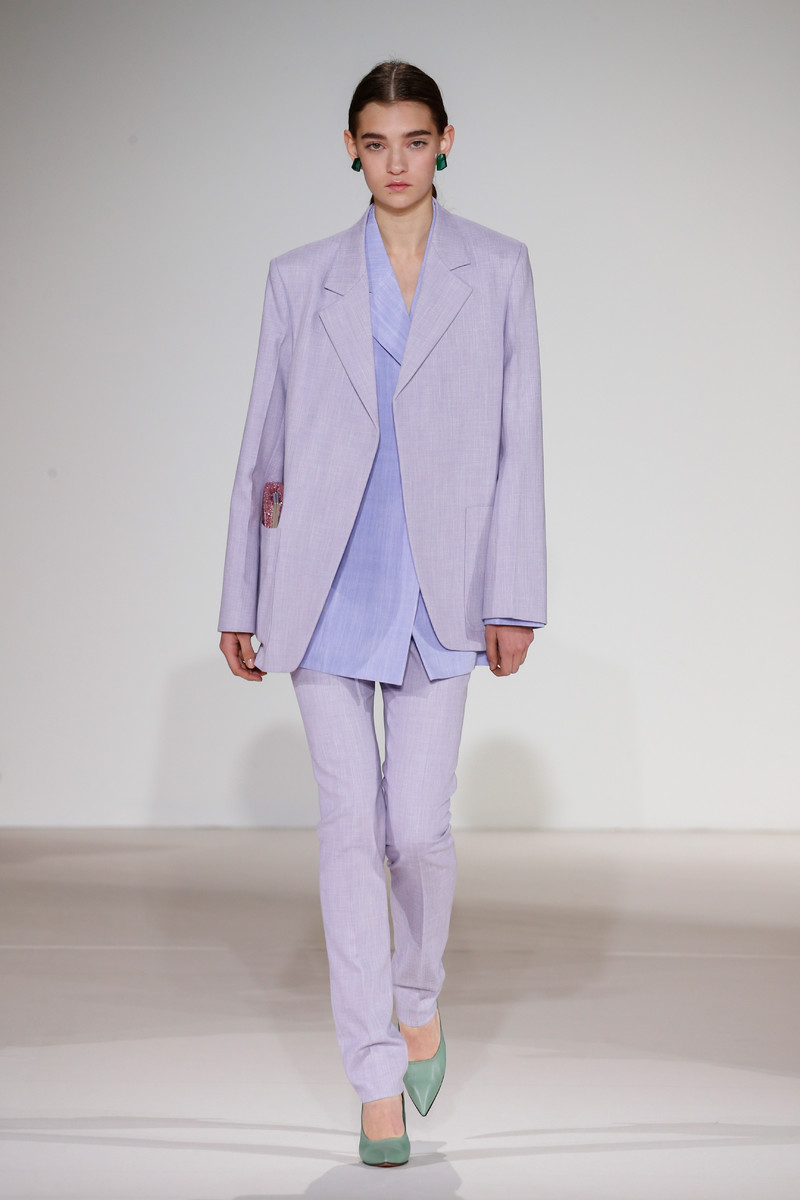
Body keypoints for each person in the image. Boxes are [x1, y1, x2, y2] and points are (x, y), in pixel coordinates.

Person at [217, 59, 546, 1167]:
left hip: (441, 589)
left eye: (413, 140)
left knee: (418, 830)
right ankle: (371, 1079)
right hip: (319, 587)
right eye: (375, 142)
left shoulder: (498, 270)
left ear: (445, 141)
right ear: (351, 151)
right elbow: (262, 440)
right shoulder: (299, 278)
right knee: (348, 831)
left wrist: (514, 595)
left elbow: (519, 444)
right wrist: (242, 594)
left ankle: (417, 997)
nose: (395, 162)